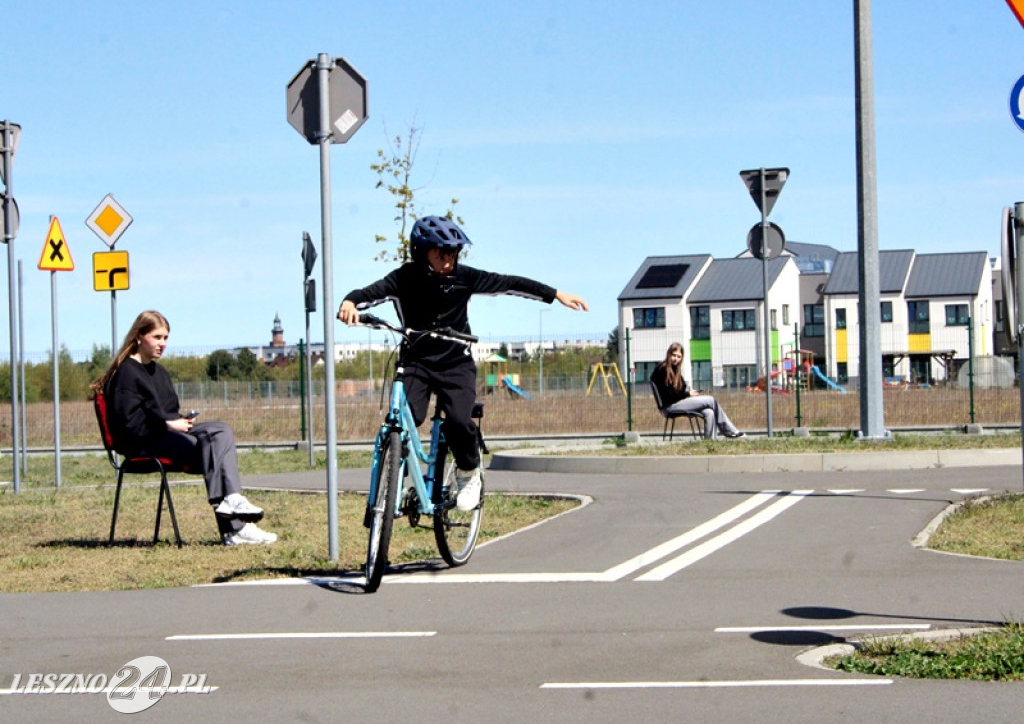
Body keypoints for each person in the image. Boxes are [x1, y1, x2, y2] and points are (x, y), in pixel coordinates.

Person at [338, 215, 588, 511]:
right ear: (421, 253)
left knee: (458, 420)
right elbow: (368, 294)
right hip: (416, 362)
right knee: (406, 418)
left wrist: (555, 294)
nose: (448, 261)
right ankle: (395, 476)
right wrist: (350, 302)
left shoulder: (465, 277)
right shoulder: (404, 278)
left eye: (453, 254)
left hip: (456, 363)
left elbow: (509, 283)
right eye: (440, 255)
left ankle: (469, 472)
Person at [90, 310, 277, 545]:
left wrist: (182, 421)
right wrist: (168, 424)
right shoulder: (126, 373)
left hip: (166, 433)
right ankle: (235, 528)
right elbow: (131, 425)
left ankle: (232, 502)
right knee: (208, 449)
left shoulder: (159, 372)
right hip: (143, 442)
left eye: (166, 338)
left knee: (220, 431)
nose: (163, 344)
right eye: (157, 337)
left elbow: (169, 411)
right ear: (138, 336)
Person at [650, 342, 744, 440]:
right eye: (674, 355)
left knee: (709, 412)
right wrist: (688, 394)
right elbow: (670, 397)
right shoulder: (662, 369)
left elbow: (680, 389)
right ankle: (730, 431)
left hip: (677, 403)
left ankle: (710, 442)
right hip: (669, 407)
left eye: (679, 357)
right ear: (668, 354)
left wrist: (686, 391)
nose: (676, 359)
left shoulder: (674, 370)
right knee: (711, 400)